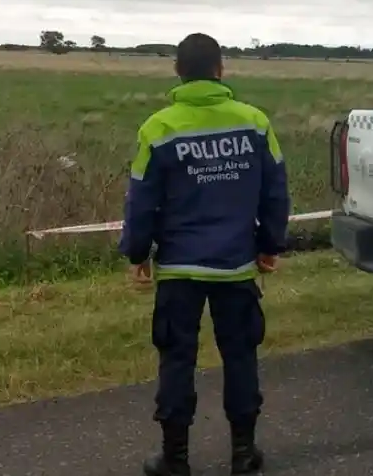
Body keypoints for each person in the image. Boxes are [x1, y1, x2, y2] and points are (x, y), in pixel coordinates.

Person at [118, 32, 291, 476]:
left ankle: (174, 459)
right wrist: (270, 245)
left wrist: (137, 253)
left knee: (177, 360)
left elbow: (141, 200)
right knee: (240, 357)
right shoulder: (254, 123)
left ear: (178, 71)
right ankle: (243, 454)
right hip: (236, 267)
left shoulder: (158, 128)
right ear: (220, 70)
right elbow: (275, 191)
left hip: (178, 268)